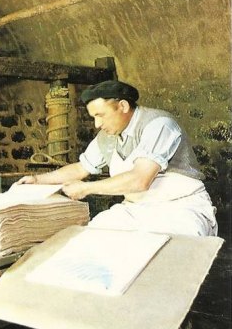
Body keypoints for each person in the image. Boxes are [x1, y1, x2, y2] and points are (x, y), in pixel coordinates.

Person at [16, 80, 218, 236]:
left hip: (181, 209)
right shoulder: (107, 136)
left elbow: (140, 180)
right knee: (93, 237)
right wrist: (37, 180)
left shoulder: (159, 124)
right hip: (136, 210)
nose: (96, 124)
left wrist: (86, 188)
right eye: (93, 117)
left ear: (122, 106)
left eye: (100, 115)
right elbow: (81, 168)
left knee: (164, 258)